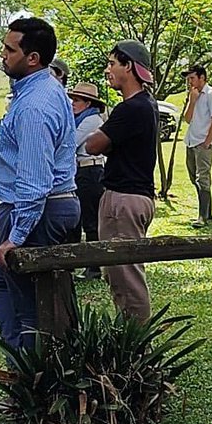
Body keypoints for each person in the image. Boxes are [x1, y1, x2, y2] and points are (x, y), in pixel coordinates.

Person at [0, 18, 80, 349]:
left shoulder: (34, 106)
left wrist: (16, 237)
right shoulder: (42, 89)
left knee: (31, 309)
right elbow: (24, 153)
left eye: (10, 49)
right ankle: (22, 359)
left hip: (39, 209)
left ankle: (30, 371)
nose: (2, 55)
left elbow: (36, 181)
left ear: (32, 58)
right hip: (43, 205)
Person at [84, 40, 159, 321]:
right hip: (136, 197)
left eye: (112, 63)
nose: (108, 70)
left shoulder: (130, 109)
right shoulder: (147, 104)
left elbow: (93, 145)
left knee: (126, 278)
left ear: (129, 66)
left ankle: (137, 340)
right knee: (120, 275)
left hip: (123, 200)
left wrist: (102, 138)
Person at [67, 81, 107, 280]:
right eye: (73, 99)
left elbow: (71, 142)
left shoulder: (91, 121)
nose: (73, 103)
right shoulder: (82, 119)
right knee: (78, 218)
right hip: (81, 169)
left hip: (89, 170)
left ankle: (94, 267)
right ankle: (77, 263)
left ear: (88, 103)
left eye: (77, 100)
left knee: (90, 219)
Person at [182, 64, 212, 227]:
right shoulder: (194, 95)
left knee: (202, 178)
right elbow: (187, 119)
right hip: (191, 141)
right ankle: (208, 214)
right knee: (194, 177)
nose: (190, 82)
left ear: (202, 78)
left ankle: (202, 217)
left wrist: (207, 142)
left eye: (192, 78)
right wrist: (192, 101)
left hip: (203, 143)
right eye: (188, 79)